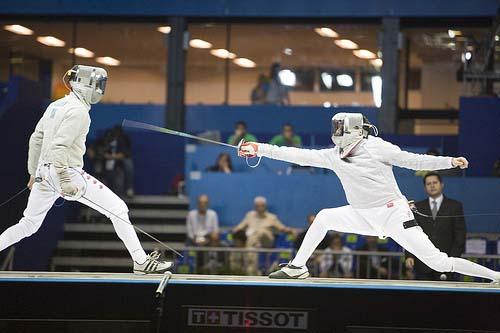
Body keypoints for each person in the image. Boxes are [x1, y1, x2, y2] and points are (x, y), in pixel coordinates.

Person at [238, 112, 500, 282]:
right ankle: (298, 267)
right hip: (361, 215)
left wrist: (450, 162)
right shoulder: (333, 155)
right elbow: (296, 154)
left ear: (353, 128)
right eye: (335, 127)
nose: (337, 131)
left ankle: (495, 276)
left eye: (340, 127)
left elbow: (413, 160)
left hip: (393, 215)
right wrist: (258, 148)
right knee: (324, 217)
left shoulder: (377, 147)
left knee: (439, 261)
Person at [0, 65, 172, 274]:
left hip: (44, 173)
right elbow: (59, 147)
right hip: (66, 173)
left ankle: (141, 261)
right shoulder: (79, 112)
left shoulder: (56, 105)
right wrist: (64, 179)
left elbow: (36, 139)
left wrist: (33, 173)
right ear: (85, 85)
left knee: (28, 225)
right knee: (118, 209)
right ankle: (141, 261)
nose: (100, 89)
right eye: (98, 85)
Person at [405, 172, 466, 281]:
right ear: (425, 187)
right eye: (428, 184)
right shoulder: (416, 207)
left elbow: (460, 235)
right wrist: (409, 255)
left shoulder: (455, 206)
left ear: (442, 184)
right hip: (422, 264)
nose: (432, 186)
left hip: (447, 263)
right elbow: (411, 233)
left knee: (446, 297)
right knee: (422, 297)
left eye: (435, 182)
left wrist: (452, 259)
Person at [232, 196, 296, 275]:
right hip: (253, 242)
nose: (259, 208)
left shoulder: (272, 217)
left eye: (261, 206)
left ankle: (248, 253)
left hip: (267, 241)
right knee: (251, 242)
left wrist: (291, 230)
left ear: (265, 206)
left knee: (260, 232)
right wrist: (234, 230)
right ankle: (250, 267)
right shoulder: (250, 215)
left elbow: (282, 228)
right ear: (255, 206)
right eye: (257, 206)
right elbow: (240, 226)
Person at [103, 125, 135, 197]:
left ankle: (129, 189)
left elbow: (125, 154)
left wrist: (113, 157)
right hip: (105, 164)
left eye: (118, 133)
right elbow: (100, 150)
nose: (116, 134)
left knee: (127, 163)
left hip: (118, 165)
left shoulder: (123, 139)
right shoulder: (107, 138)